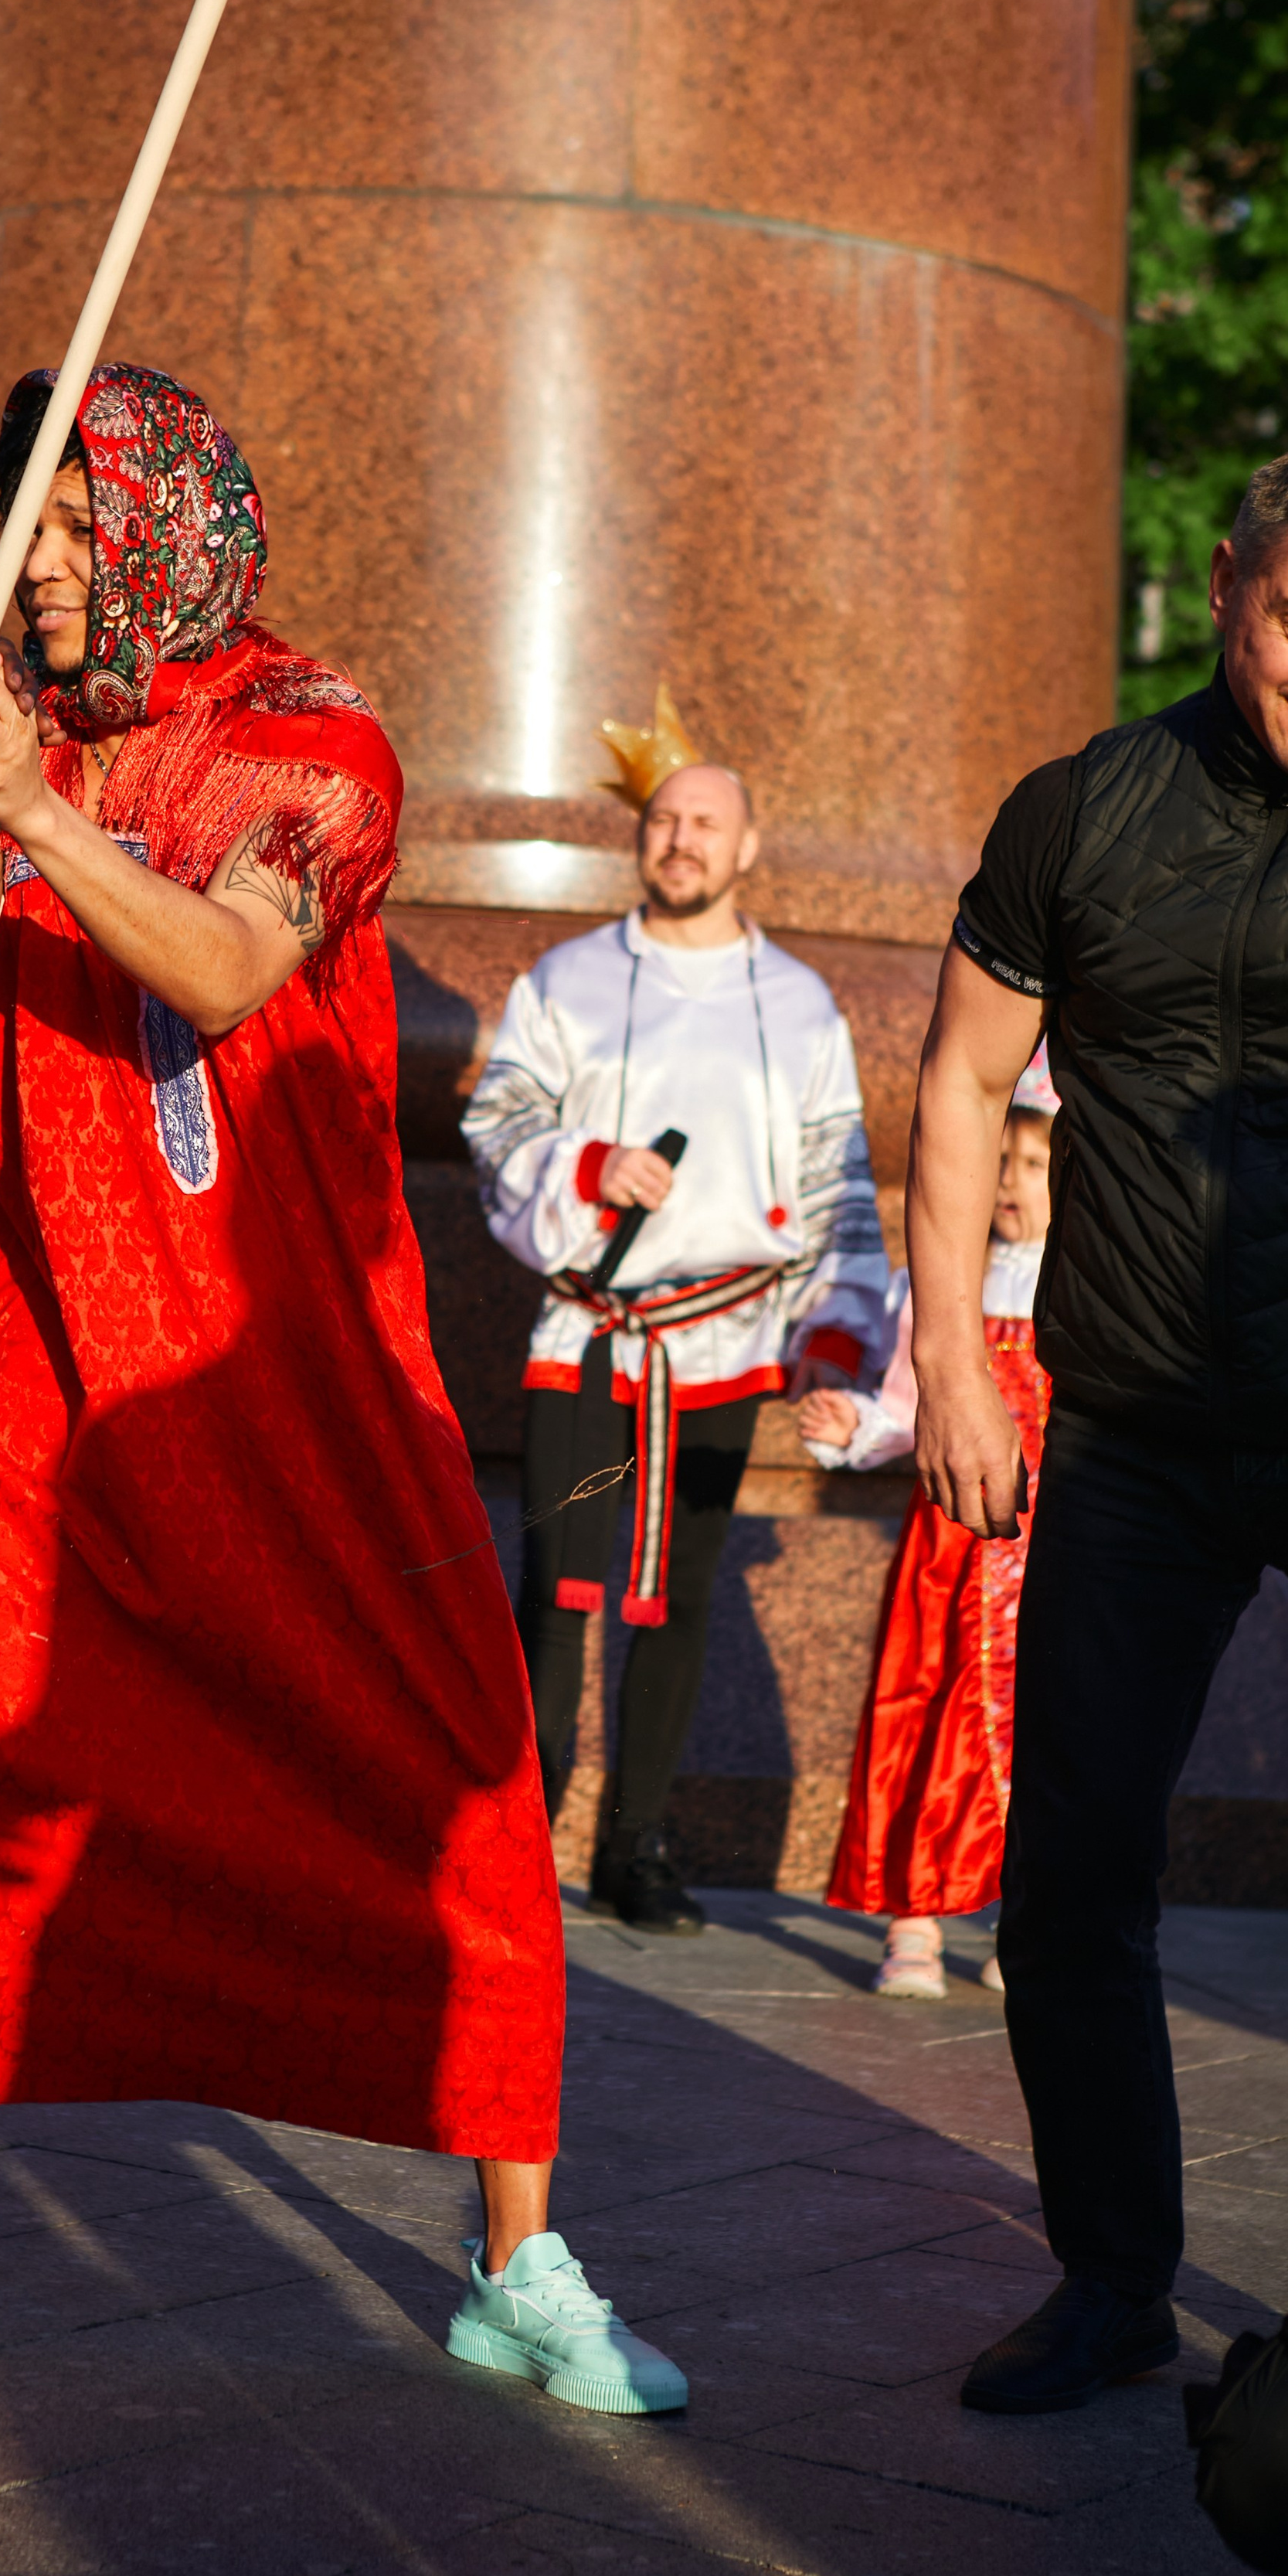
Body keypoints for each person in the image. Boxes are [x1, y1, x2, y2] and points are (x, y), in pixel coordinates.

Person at [0, 361, 690, 2421]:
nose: (49, 568)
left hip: (298, 1384)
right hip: (50, 1373)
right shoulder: (26, 753)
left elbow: (232, 969)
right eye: (30, 530)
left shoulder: (313, 735)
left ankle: (518, 2256)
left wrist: (33, 812)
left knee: (473, 1791)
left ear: (166, 522)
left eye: (79, 525)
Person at [912, 447, 1288, 2416]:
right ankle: (1110, 2280)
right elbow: (964, 1079)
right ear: (1228, 583)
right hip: (1135, 1418)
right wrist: (954, 1367)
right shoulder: (1080, 809)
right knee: (1067, 1865)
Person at [461, 697, 889, 1932]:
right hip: (590, 1335)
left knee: (681, 1598)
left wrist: (838, 1341)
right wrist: (587, 1169)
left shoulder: (802, 1006)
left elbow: (836, 1185)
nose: (682, 840)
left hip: (725, 1341)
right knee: (559, 1588)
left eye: (707, 823)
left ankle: (636, 1844)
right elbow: (493, 1131)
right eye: (664, 821)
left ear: (749, 849)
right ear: (638, 841)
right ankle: (517, 1839)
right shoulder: (571, 981)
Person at [803, 1060, 1058, 1998]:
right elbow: (912, 1411)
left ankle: (1015, 1917)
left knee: (1045, 1731)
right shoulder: (943, 1285)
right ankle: (912, 1921)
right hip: (949, 1545)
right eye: (1000, 1159)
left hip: (1049, 1551)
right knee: (922, 1712)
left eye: (1032, 1165)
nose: (1008, 1182)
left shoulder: (1080, 1288)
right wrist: (859, 1429)